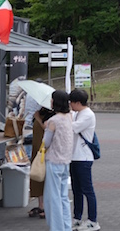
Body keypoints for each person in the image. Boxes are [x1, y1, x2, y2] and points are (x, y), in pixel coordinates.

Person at [43, 90, 74, 231]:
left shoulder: (53, 121)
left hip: (54, 160)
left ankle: (56, 228)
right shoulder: (69, 117)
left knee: (53, 197)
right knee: (63, 197)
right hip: (66, 161)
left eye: (52, 99)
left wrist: (45, 127)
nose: (50, 101)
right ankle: (66, 227)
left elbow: (46, 142)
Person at [69, 89, 99, 231]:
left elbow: (71, 128)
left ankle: (93, 221)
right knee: (76, 190)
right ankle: (77, 218)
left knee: (87, 190)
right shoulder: (77, 113)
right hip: (74, 157)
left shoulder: (87, 115)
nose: (70, 105)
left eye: (71, 102)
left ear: (78, 102)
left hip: (84, 158)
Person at [28, 106, 55, 219]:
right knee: (38, 175)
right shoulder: (41, 111)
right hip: (38, 150)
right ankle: (41, 205)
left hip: (46, 151)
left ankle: (47, 206)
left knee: (46, 177)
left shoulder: (54, 116)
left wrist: (38, 118)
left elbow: (47, 128)